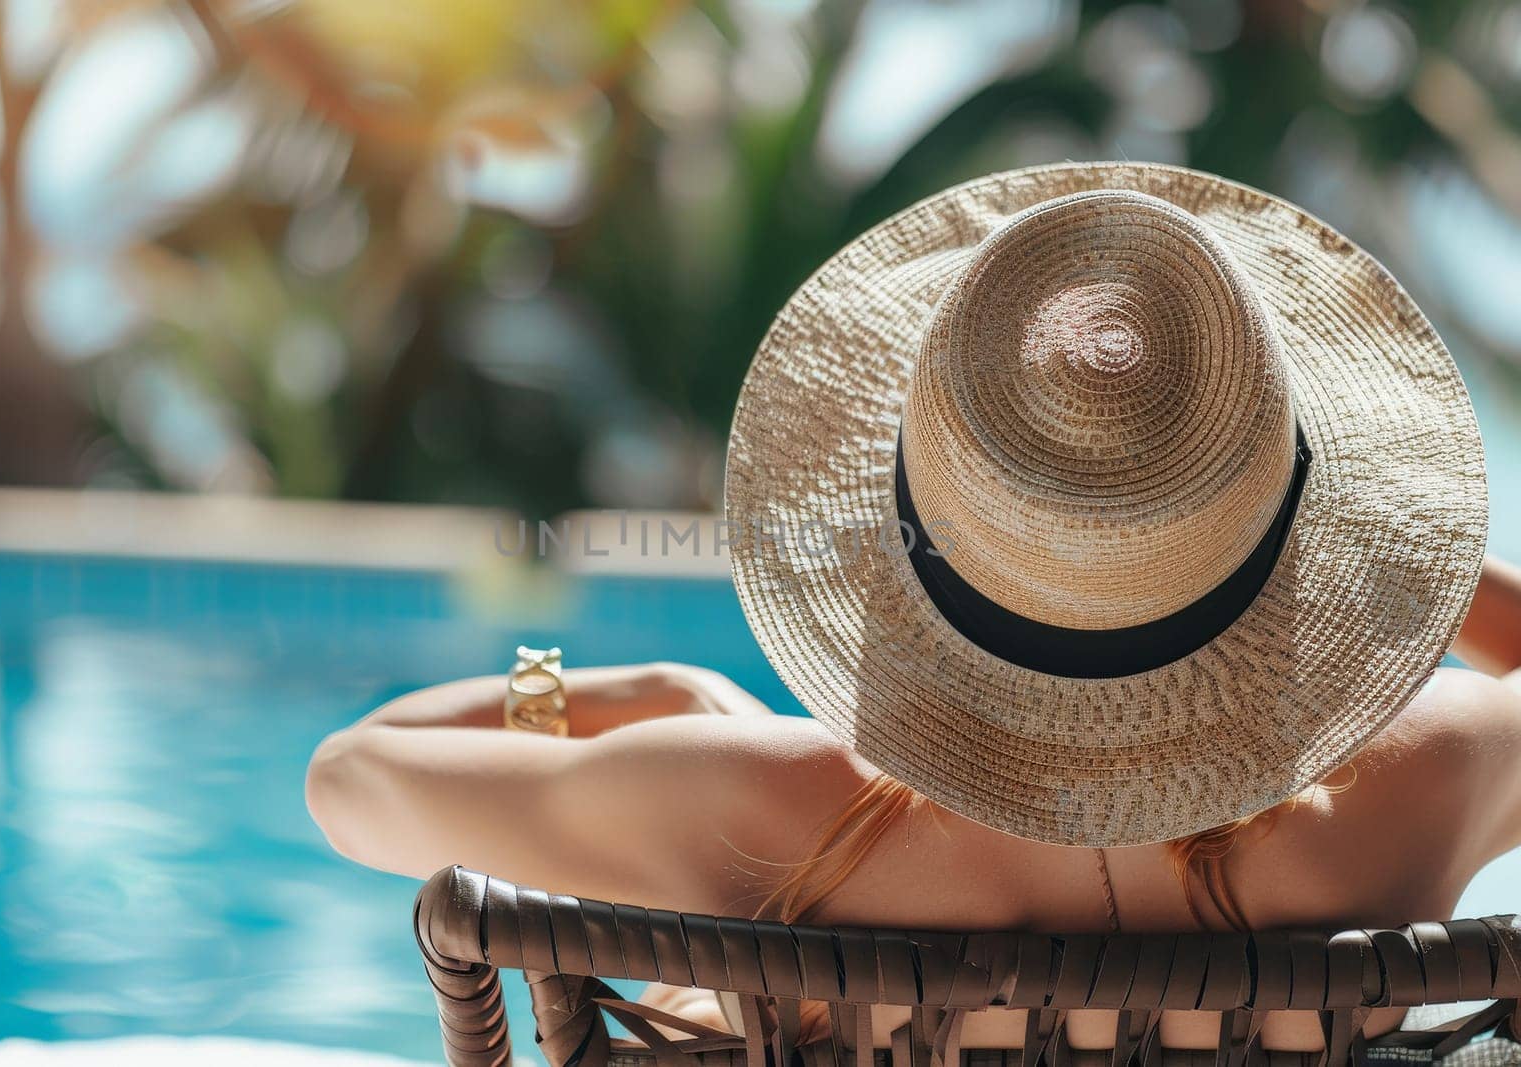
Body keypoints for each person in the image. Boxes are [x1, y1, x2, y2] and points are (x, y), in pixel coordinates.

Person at [306, 164, 1521, 1053]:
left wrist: (610, 690)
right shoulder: (1415, 783)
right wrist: (1380, 559)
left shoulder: (761, 803)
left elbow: (352, 780)